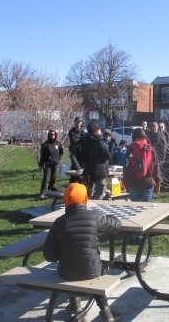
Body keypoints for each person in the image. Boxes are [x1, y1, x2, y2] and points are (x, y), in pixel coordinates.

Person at [43, 182, 121, 322]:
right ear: (85, 199)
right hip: (92, 270)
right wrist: (112, 216)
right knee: (95, 272)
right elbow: (116, 226)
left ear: (65, 201)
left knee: (73, 262)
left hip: (66, 272)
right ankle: (105, 311)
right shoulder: (94, 216)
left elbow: (49, 256)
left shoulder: (58, 222)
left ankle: (77, 306)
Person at [123, 128, 160, 202]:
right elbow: (156, 167)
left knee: (133, 209)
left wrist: (126, 183)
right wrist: (158, 183)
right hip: (148, 182)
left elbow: (126, 166)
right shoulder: (150, 148)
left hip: (133, 182)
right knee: (145, 210)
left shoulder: (130, 148)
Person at [79, 123, 111, 200]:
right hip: (99, 172)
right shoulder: (100, 142)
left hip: (88, 172)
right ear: (95, 131)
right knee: (99, 195)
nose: (100, 131)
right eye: (99, 129)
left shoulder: (84, 142)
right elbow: (108, 156)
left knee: (88, 196)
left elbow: (81, 157)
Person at [38, 129, 63, 200]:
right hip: (48, 164)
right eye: (51, 134)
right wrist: (41, 165)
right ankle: (42, 193)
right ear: (49, 135)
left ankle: (51, 188)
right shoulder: (45, 144)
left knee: (53, 177)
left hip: (56, 164)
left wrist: (59, 159)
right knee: (46, 179)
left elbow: (61, 152)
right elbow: (42, 156)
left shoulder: (58, 144)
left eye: (54, 134)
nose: (53, 136)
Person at [159, 121, 169, 187]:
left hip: (168, 153)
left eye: (162, 127)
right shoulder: (158, 134)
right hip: (161, 154)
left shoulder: (168, 134)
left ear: (164, 127)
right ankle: (164, 182)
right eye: (159, 127)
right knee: (163, 168)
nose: (160, 128)